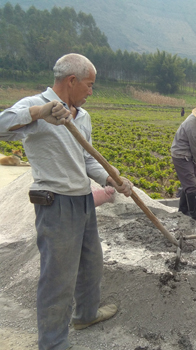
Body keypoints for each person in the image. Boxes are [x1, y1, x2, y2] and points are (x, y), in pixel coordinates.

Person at [0, 53, 134, 350]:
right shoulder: (35, 105)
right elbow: (2, 124)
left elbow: (86, 157)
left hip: (83, 200)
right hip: (56, 204)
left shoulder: (82, 116)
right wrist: (39, 112)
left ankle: (85, 314)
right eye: (89, 84)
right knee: (58, 277)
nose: (91, 91)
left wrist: (110, 179)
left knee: (91, 264)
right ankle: (53, 343)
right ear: (71, 81)